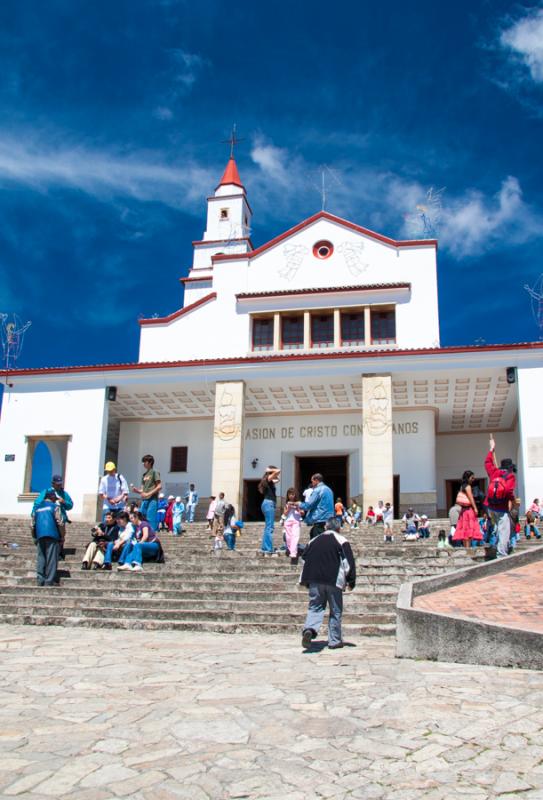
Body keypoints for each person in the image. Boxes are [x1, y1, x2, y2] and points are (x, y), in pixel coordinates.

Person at [300, 517, 356, 650]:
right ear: (338, 528)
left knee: (315, 607)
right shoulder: (341, 540)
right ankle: (335, 640)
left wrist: (307, 579)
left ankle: (310, 629)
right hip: (333, 580)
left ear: (326, 527)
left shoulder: (313, 541)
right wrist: (351, 580)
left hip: (314, 579)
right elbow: (348, 563)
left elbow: (304, 559)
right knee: (335, 610)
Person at [484, 435, 516, 558]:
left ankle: (495, 546)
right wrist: (512, 501)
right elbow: (508, 491)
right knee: (504, 530)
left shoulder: (494, 472)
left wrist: (491, 449)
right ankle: (501, 554)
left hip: (490, 506)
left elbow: (487, 462)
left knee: (496, 528)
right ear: (510, 467)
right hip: (502, 507)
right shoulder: (510, 476)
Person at [33, 474, 73, 558]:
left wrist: (64, 502)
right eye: (57, 484)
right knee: (52, 536)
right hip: (49, 518)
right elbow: (37, 503)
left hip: (60, 517)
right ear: (53, 483)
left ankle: (59, 554)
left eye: (60, 484)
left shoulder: (64, 493)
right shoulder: (46, 492)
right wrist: (34, 513)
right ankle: (49, 554)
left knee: (60, 535)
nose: (59, 486)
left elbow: (70, 505)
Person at [31, 489, 63, 587]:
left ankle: (40, 579)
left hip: (40, 535)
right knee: (52, 558)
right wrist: (62, 536)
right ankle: (49, 580)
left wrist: (34, 536)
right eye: (55, 498)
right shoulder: (55, 507)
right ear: (52, 497)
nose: (55, 500)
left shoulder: (36, 508)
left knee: (41, 558)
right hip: (52, 534)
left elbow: (32, 525)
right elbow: (60, 523)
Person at [130, 455, 162, 531]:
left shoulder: (155, 472)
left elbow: (159, 486)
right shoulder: (144, 475)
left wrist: (148, 494)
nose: (143, 463)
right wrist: (136, 490)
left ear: (150, 462)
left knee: (150, 519)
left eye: (145, 461)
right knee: (142, 518)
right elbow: (142, 490)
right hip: (144, 500)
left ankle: (151, 537)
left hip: (152, 499)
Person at [299, 473, 334, 540]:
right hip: (329, 519)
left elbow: (308, 505)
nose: (312, 483)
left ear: (316, 480)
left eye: (312, 481)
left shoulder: (317, 490)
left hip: (319, 518)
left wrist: (299, 504)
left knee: (316, 540)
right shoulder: (329, 490)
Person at [452, 471, 482, 549]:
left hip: (463, 511)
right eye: (472, 477)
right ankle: (468, 549)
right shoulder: (468, 487)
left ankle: (466, 548)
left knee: (465, 530)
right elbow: (471, 498)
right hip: (468, 510)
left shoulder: (462, 486)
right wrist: (475, 508)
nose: (473, 479)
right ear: (468, 477)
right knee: (469, 530)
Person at [258, 466, 281, 555]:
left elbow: (278, 479)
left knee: (268, 527)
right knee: (270, 527)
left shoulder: (268, 480)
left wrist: (272, 473)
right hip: (269, 504)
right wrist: (270, 470)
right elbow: (278, 471)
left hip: (267, 504)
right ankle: (268, 548)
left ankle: (265, 547)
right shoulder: (268, 478)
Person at [283, 487, 302, 564]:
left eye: (292, 494)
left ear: (295, 495)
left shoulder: (298, 503)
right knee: (288, 537)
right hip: (288, 522)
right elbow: (284, 513)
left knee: (295, 536)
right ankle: (291, 550)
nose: (291, 496)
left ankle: (293, 553)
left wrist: (297, 508)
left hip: (296, 521)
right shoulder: (286, 504)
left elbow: (302, 513)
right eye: (289, 494)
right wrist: (288, 508)